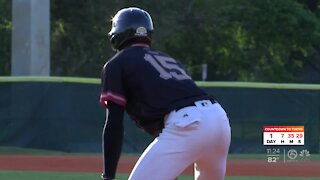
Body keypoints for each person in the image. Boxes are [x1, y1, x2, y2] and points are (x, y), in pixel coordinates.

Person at [99, 7, 231, 180]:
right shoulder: (167, 59)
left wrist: (108, 176)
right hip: (219, 119)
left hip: (188, 123)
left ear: (118, 34)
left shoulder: (116, 64)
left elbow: (114, 123)